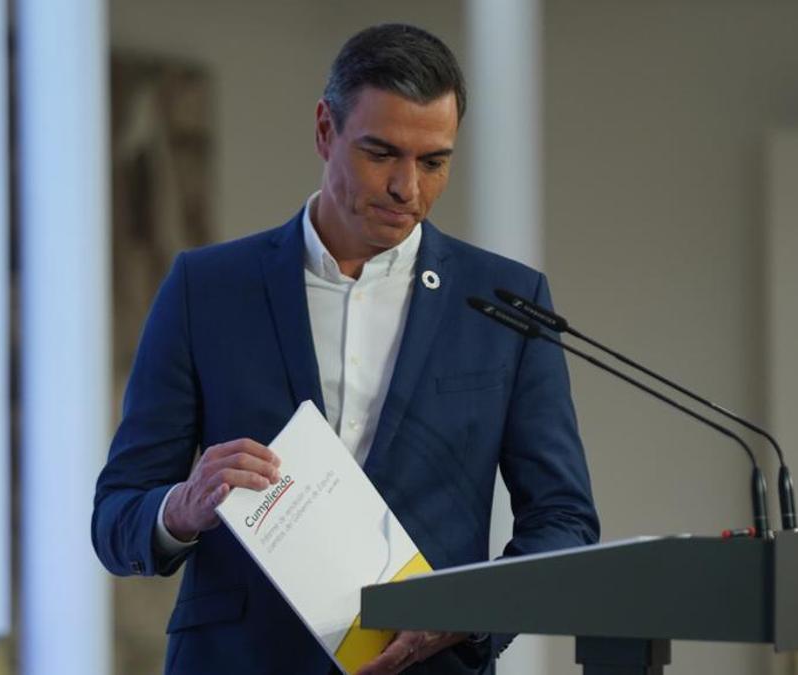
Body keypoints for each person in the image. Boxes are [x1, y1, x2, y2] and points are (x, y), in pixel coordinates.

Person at [92, 23, 599, 675]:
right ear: (325, 131)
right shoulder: (205, 288)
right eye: (382, 152)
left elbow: (565, 522)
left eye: (434, 161)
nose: (407, 188)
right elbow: (116, 517)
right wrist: (181, 508)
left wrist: (468, 614)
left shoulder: (507, 302)